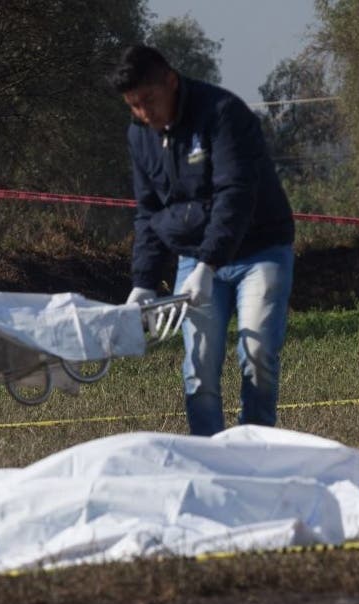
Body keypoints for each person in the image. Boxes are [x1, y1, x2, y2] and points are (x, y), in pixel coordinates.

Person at [110, 45, 295, 437]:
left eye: (149, 100)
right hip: (194, 258)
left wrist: (209, 264)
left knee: (258, 355)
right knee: (199, 366)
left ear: (171, 82)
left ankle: (254, 451)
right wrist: (143, 281)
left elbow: (236, 193)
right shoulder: (139, 135)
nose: (144, 113)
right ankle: (208, 457)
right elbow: (148, 211)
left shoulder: (224, 115)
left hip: (260, 249)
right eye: (133, 106)